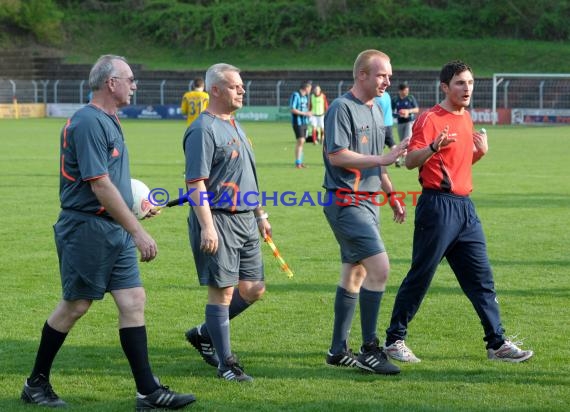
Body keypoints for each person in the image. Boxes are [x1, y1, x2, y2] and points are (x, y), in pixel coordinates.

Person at [20, 55, 196, 410]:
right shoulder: (87, 122)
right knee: (76, 304)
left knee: (133, 301)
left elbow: (114, 182)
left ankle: (148, 392)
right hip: (86, 227)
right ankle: (35, 384)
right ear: (110, 83)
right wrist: (137, 232)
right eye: (129, 79)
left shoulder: (110, 120)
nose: (134, 85)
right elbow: (99, 184)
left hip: (112, 227)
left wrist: (137, 207)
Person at [383, 60, 534, 364]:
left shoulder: (466, 119)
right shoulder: (429, 119)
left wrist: (480, 153)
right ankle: (394, 340)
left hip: (465, 209)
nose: (467, 89)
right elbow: (412, 160)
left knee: (482, 279)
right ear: (445, 87)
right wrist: (433, 148)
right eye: (460, 83)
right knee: (421, 275)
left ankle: (497, 343)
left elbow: (458, 167)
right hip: (437, 207)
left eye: (470, 83)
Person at [322, 49, 409, 375]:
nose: (388, 80)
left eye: (388, 75)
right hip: (345, 201)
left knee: (355, 274)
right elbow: (337, 155)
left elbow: (377, 162)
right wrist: (382, 160)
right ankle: (370, 348)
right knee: (380, 268)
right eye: (382, 75)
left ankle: (336, 350)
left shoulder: (375, 110)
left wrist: (391, 195)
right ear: (362, 75)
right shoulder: (342, 108)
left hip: (369, 201)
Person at [183, 63, 271, 382]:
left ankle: (204, 333)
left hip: (246, 219)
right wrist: (207, 226)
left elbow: (248, 176)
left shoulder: (235, 125)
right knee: (222, 292)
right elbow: (196, 183)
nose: (242, 90)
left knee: (254, 289)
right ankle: (227, 364)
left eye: (242, 85)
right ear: (216, 90)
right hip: (218, 219)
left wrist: (260, 215)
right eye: (235, 86)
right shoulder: (202, 129)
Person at [392, 82, 419, 166]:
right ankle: (400, 159)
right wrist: (399, 114)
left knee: (407, 140)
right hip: (400, 123)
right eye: (405, 90)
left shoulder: (410, 98)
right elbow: (392, 112)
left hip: (409, 122)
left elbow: (417, 109)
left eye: (407, 90)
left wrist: (408, 111)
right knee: (402, 142)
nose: (406, 92)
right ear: (400, 91)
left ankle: (405, 159)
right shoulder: (395, 100)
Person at [289, 81, 312, 168]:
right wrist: (305, 113)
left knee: (302, 142)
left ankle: (300, 162)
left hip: (304, 122)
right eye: (310, 88)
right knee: (301, 141)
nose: (310, 90)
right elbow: (292, 109)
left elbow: (304, 109)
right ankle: (298, 162)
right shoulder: (296, 95)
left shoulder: (305, 97)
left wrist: (308, 113)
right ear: (306, 87)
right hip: (297, 122)